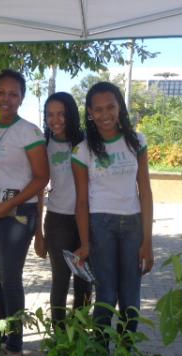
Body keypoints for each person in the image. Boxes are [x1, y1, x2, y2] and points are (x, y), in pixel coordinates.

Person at [0, 69, 49, 356]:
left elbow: (42, 177)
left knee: (9, 276)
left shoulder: (29, 132)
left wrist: (10, 205)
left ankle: (14, 344)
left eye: (13, 93)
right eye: (1, 92)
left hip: (19, 212)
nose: (6, 99)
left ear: (21, 98)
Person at [71, 81, 154, 334]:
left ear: (120, 108)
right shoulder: (82, 150)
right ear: (90, 113)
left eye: (111, 107)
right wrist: (85, 244)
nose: (105, 114)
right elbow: (82, 201)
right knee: (105, 296)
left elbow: (146, 192)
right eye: (98, 109)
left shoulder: (136, 141)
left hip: (133, 225)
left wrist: (147, 241)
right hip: (101, 226)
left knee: (130, 297)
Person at [34, 92, 92, 324]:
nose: (55, 120)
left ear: (71, 115)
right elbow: (38, 190)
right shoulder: (43, 146)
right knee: (60, 280)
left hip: (86, 222)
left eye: (61, 114)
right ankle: (59, 337)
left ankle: (79, 334)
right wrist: (38, 233)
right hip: (57, 221)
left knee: (84, 280)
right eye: (50, 115)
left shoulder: (86, 143)